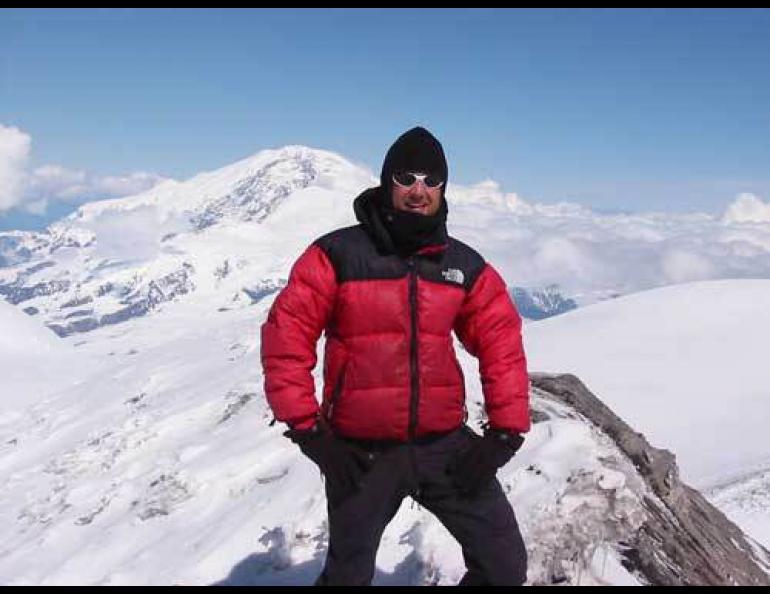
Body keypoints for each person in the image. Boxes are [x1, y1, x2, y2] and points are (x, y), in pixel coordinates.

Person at [261, 127, 530, 586]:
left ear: (444, 188)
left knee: (504, 567)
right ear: (387, 181)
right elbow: (287, 337)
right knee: (348, 577)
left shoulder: (463, 265)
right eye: (406, 177)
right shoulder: (337, 255)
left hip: (444, 446)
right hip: (360, 452)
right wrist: (310, 432)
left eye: (431, 179)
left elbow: (501, 343)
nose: (418, 190)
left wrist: (505, 433)